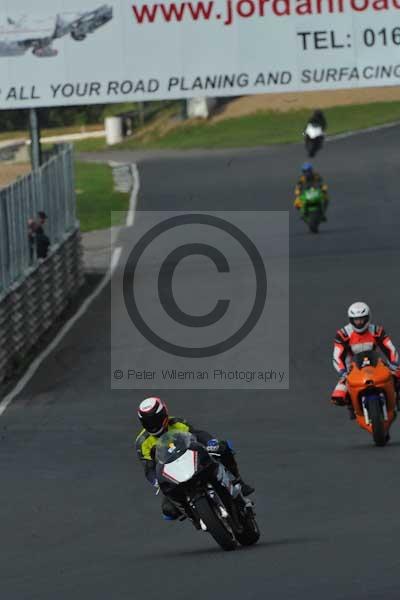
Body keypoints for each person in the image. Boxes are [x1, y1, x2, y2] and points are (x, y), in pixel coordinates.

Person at [135, 397, 254, 520]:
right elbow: (148, 467)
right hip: (172, 474)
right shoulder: (142, 442)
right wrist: (156, 481)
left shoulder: (177, 423)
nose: (153, 425)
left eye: (155, 420)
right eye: (148, 422)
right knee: (168, 511)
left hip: (193, 460)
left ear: (164, 414)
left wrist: (211, 442)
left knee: (223, 448)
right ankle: (194, 516)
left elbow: (198, 434)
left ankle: (238, 481)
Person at [331, 302, 400, 418]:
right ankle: (351, 405)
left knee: (397, 375)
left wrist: (393, 365)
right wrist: (343, 372)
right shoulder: (343, 334)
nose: (359, 323)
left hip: (374, 362)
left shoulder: (377, 331)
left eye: (362, 319)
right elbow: (337, 355)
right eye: (356, 320)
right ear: (351, 320)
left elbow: (390, 348)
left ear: (368, 318)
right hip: (352, 367)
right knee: (338, 396)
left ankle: (397, 398)